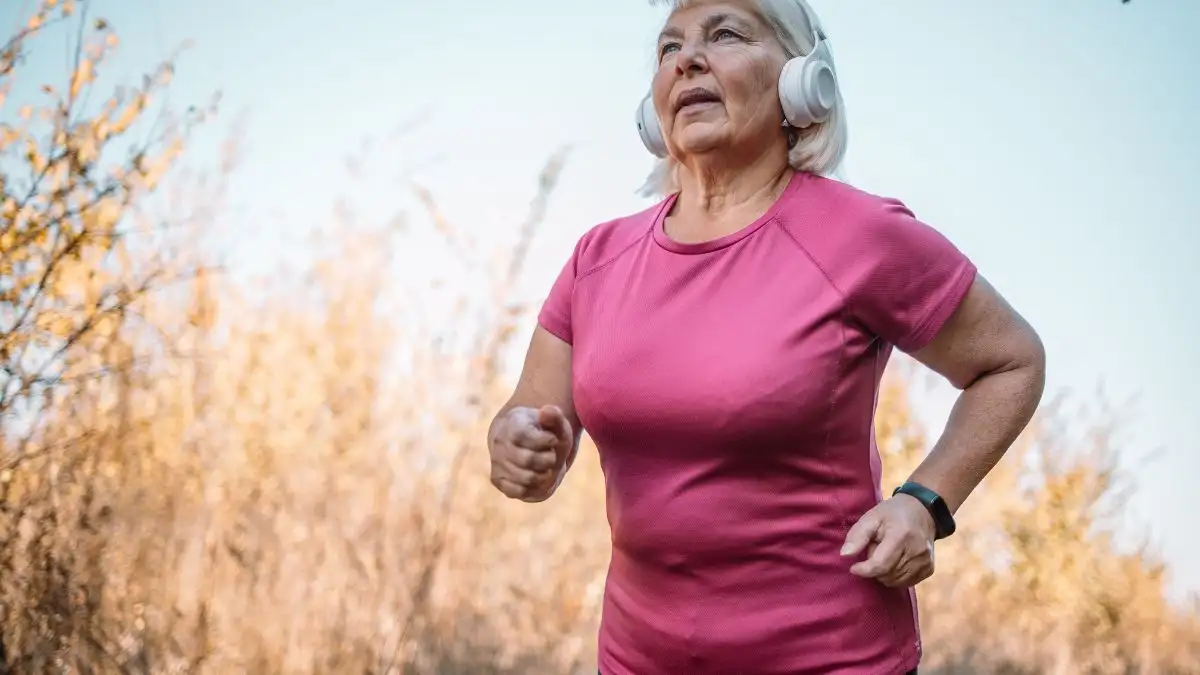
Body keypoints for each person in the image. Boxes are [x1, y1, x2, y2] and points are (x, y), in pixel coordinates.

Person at [485, 0, 1046, 673]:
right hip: (638, 658)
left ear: (803, 80)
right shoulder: (596, 259)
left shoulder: (859, 237)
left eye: (724, 33)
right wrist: (517, 443)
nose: (687, 58)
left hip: (830, 657)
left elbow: (1011, 361)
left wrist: (924, 503)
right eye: (669, 48)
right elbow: (530, 421)